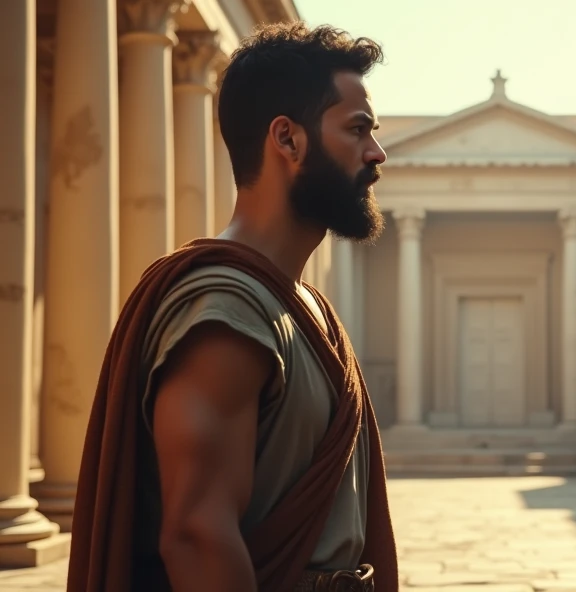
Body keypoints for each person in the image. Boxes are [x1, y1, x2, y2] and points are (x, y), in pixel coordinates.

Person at [67, 23, 397, 592]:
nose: (377, 152)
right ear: (288, 140)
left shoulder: (302, 305)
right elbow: (197, 534)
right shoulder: (225, 312)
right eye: (358, 129)